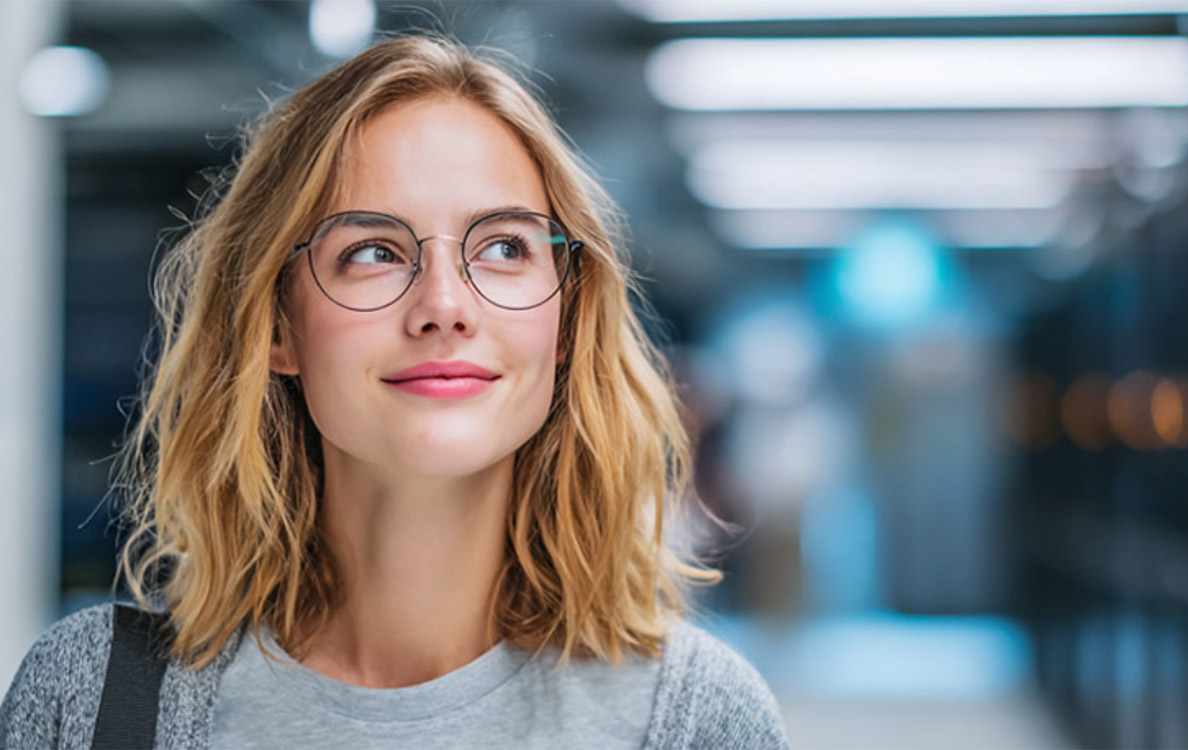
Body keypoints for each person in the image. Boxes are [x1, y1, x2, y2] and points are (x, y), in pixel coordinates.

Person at [0, 33, 789, 749]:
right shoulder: (92, 702)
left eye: (505, 247)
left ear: (566, 320)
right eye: (374, 251)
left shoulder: (694, 719)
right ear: (277, 327)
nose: (445, 307)